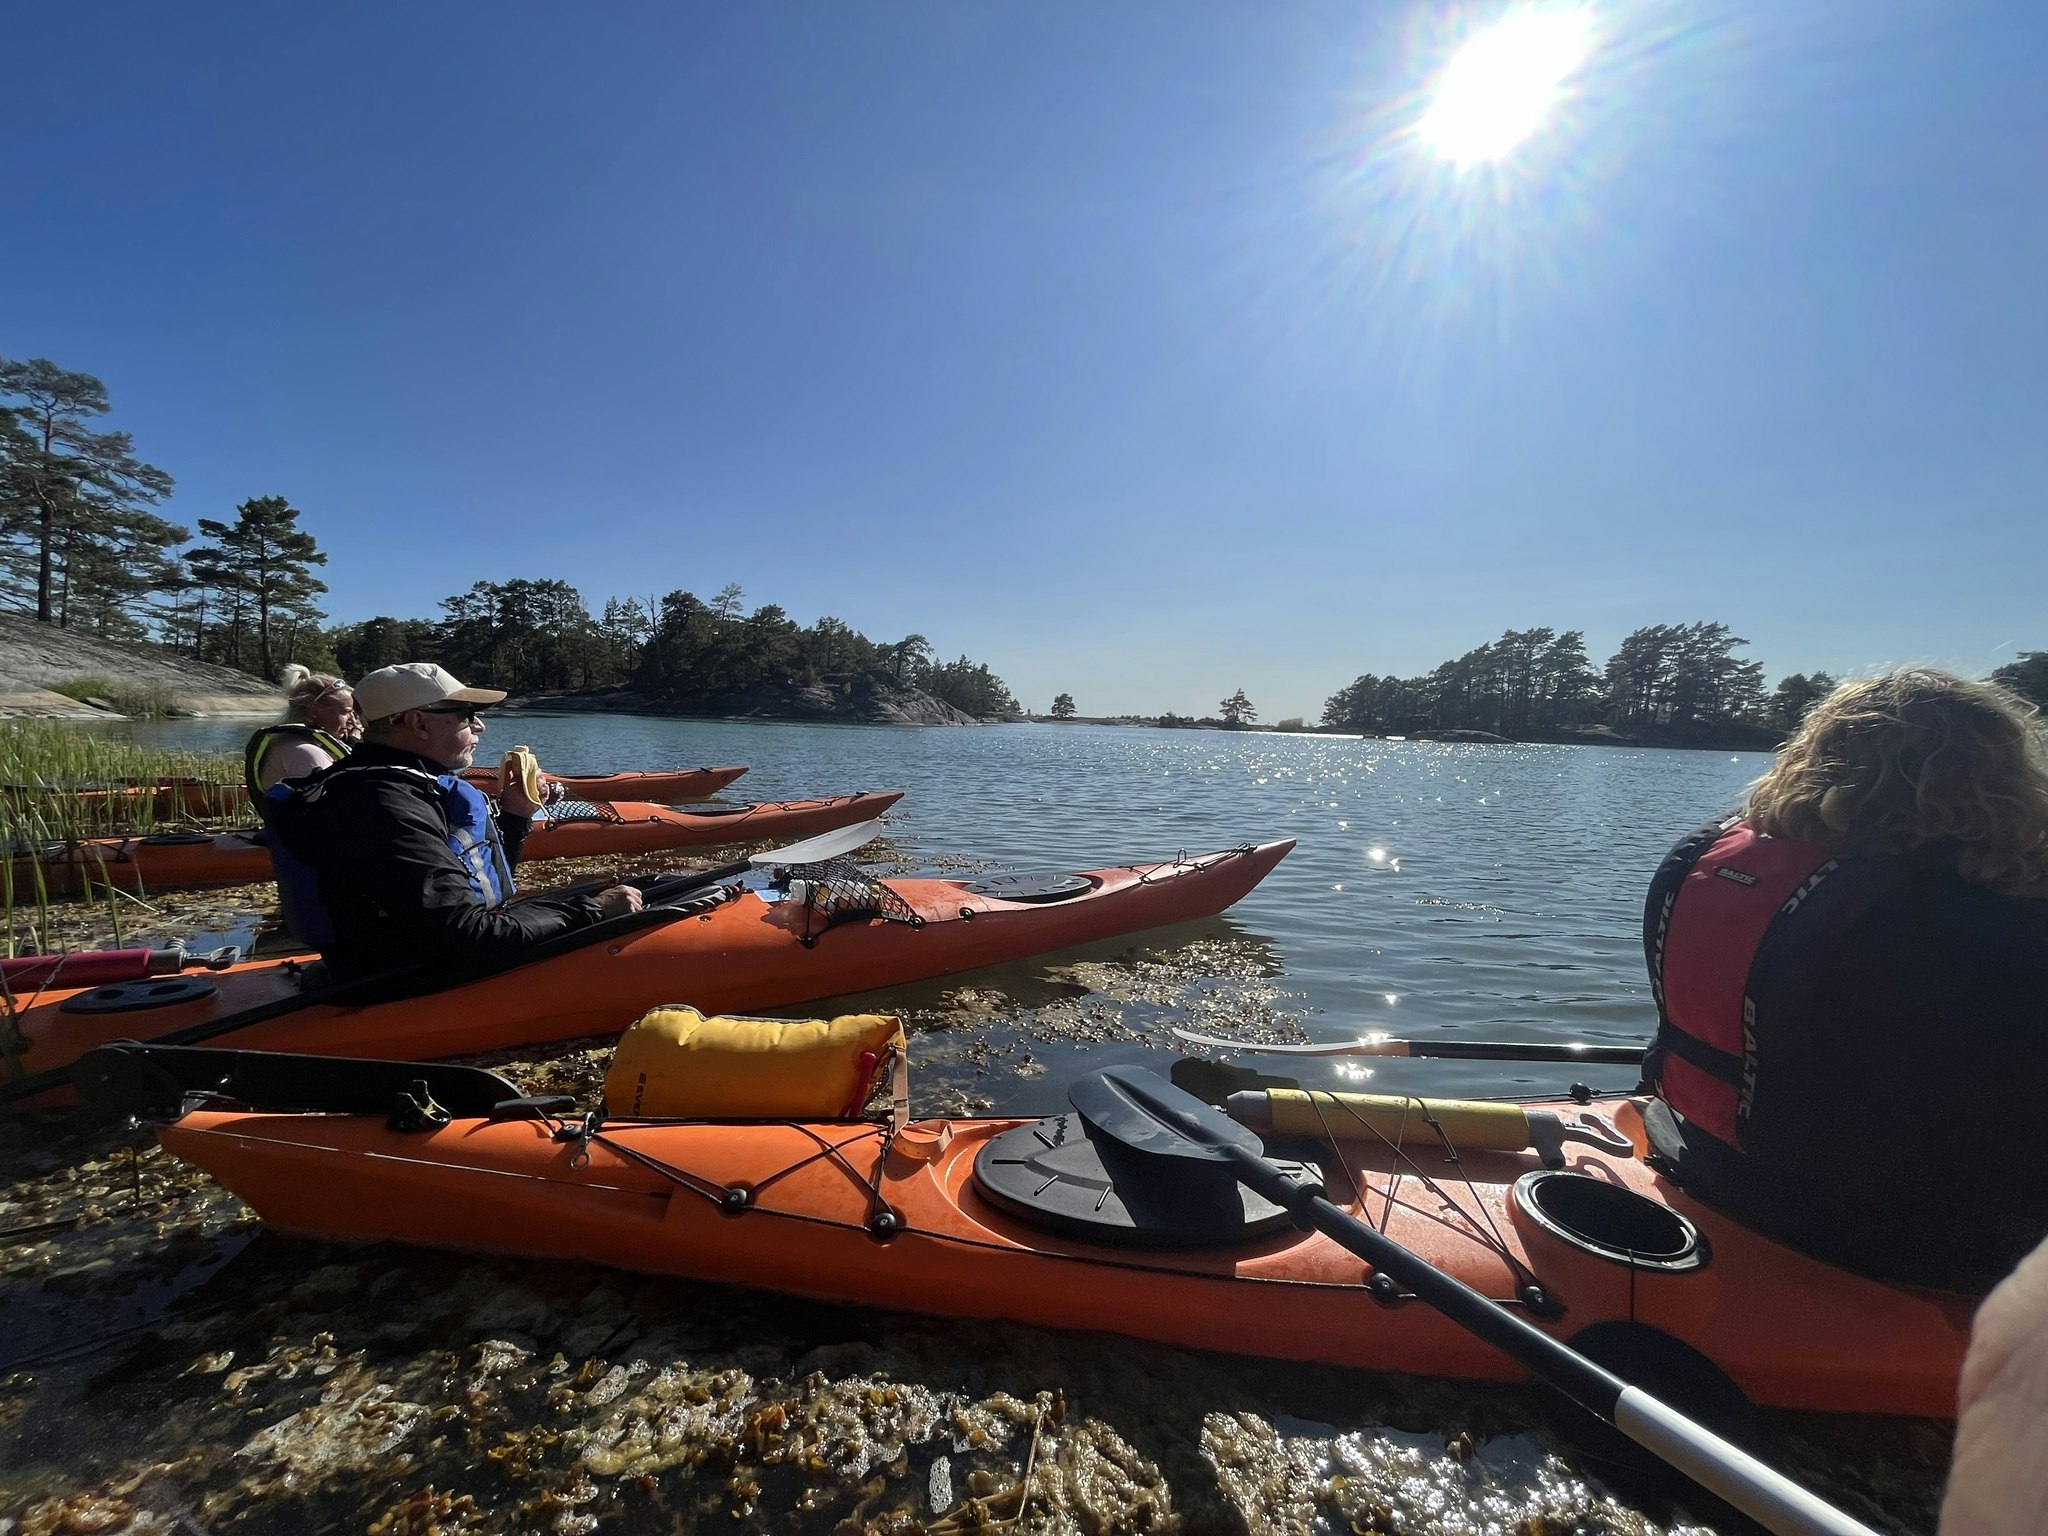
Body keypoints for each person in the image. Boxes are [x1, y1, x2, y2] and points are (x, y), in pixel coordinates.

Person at [1640, 668, 2048, 1293]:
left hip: (1712, 1160)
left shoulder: (1702, 862)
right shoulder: (1991, 922)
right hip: (1901, 1232)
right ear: (2003, 780)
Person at [286, 662, 641, 982]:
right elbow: (470, 938)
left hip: (405, 951)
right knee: (621, 902)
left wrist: (516, 815)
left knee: (653, 883)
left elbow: (468, 890)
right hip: (403, 975)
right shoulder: (385, 804)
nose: (479, 725)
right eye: (465, 713)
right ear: (418, 722)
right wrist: (595, 908)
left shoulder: (377, 782)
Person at [245, 664, 362, 794]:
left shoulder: (292, 743)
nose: (353, 721)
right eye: (346, 712)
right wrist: (355, 746)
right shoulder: (303, 752)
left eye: (354, 714)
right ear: (314, 710)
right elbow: (344, 797)